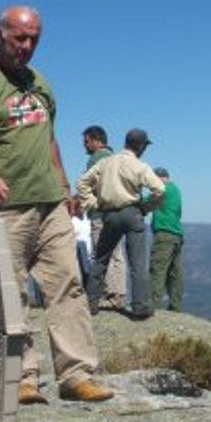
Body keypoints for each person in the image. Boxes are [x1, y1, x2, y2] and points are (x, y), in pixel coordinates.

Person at [0, 5, 113, 404]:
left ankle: (76, 375)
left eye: (35, 38)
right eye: (20, 37)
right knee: (9, 294)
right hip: (2, 206)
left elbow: (48, 138)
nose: (28, 45)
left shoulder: (41, 84)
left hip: (50, 203)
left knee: (68, 285)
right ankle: (21, 377)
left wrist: (65, 184)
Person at [77, 128, 165, 320]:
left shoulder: (106, 162)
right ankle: (140, 307)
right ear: (141, 146)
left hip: (108, 214)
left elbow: (82, 183)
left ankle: (91, 303)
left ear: (126, 142)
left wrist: (93, 204)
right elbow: (160, 190)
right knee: (137, 262)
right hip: (132, 213)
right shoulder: (139, 165)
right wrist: (146, 208)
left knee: (101, 259)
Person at [81, 125, 127, 311]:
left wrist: (87, 201)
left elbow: (90, 184)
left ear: (97, 141)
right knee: (116, 253)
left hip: (100, 213)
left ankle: (109, 295)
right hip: (117, 213)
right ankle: (119, 294)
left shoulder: (97, 158)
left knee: (101, 254)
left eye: (87, 142)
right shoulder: (117, 158)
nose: (84, 146)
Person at [149, 167, 184, 311]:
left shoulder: (162, 189)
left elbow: (146, 202)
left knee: (158, 270)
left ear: (159, 178)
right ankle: (176, 306)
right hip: (177, 234)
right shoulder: (175, 190)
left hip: (164, 234)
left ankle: (154, 307)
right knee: (175, 272)